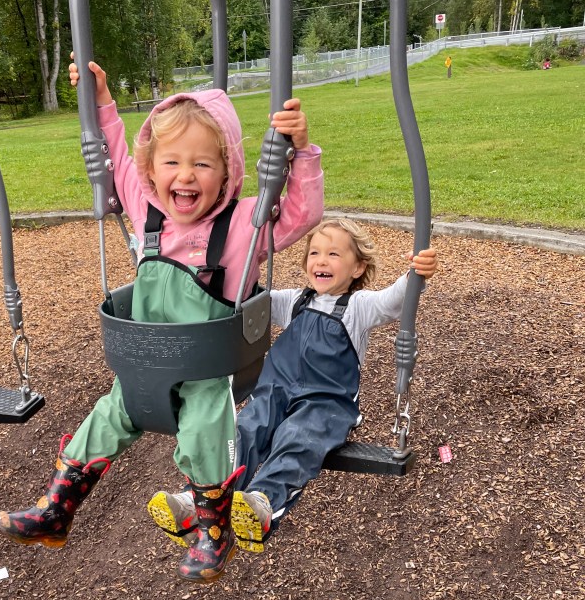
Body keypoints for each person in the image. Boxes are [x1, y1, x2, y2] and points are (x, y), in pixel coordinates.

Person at [0, 56, 325, 584]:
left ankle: (213, 531)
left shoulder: (243, 225)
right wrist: (101, 100)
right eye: (171, 162)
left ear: (228, 171)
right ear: (152, 170)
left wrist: (301, 151)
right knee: (103, 418)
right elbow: (118, 155)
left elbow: (303, 213)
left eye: (203, 164)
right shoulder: (146, 211)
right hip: (143, 369)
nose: (185, 175)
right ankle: (57, 510)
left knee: (206, 432)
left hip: (207, 372)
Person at [149, 218, 437, 560]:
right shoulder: (295, 301)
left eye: (333, 254)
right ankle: (197, 499)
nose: (321, 260)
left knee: (297, 438)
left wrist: (416, 273)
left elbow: (395, 300)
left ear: (358, 267)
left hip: (325, 404)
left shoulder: (358, 307)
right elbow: (247, 297)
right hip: (275, 393)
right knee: (244, 430)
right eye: (314, 253)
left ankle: (262, 503)